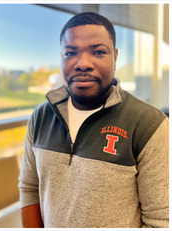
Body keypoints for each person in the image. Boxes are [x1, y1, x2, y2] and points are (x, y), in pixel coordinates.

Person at [19, 12, 169, 228]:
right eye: (70, 53)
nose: (83, 64)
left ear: (115, 56)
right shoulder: (40, 117)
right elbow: (29, 188)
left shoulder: (150, 125)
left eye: (98, 52)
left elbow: (161, 220)